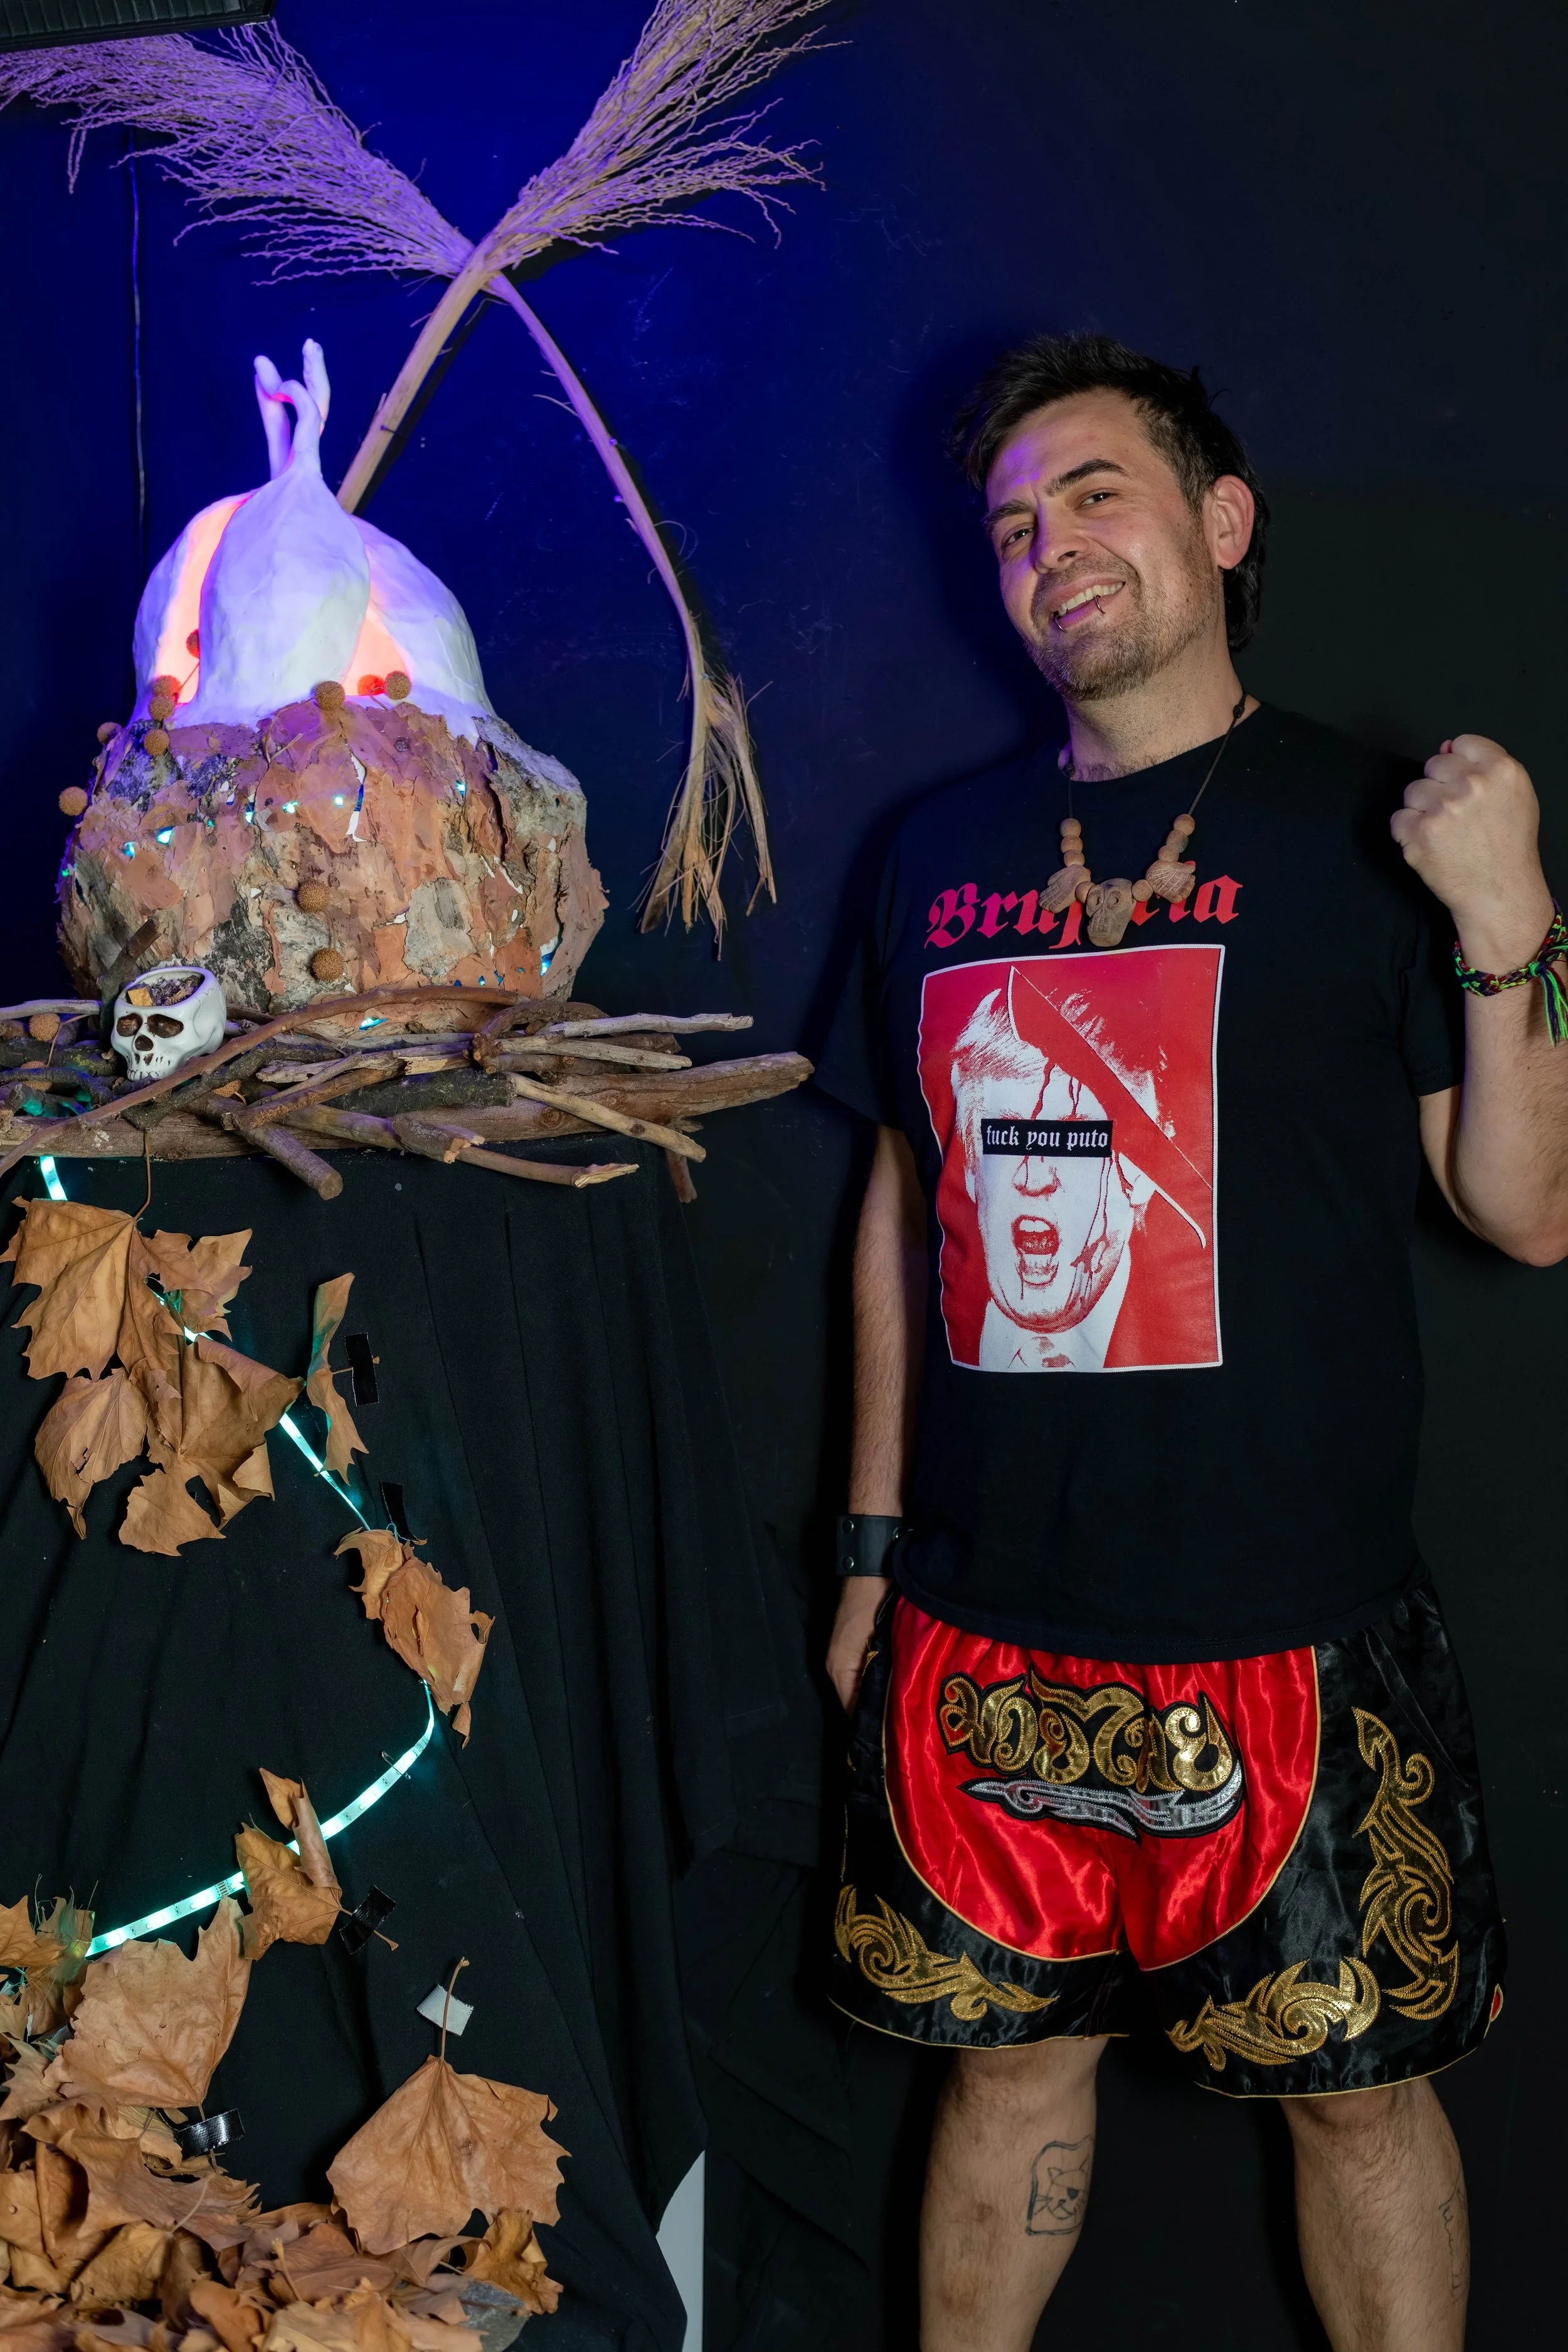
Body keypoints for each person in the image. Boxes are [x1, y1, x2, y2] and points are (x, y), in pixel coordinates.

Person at [815, 331, 1568, 2352]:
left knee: (1356, 2099)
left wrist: (1508, 923)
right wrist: (872, 1540)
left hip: (1289, 1625)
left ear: (1220, 525)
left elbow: (1526, 1208)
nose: (1046, 546)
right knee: (998, 2078)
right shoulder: (933, 858)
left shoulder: (1361, 825)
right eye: (1006, 525)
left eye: (1092, 493)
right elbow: (910, 1199)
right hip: (985, 1622)